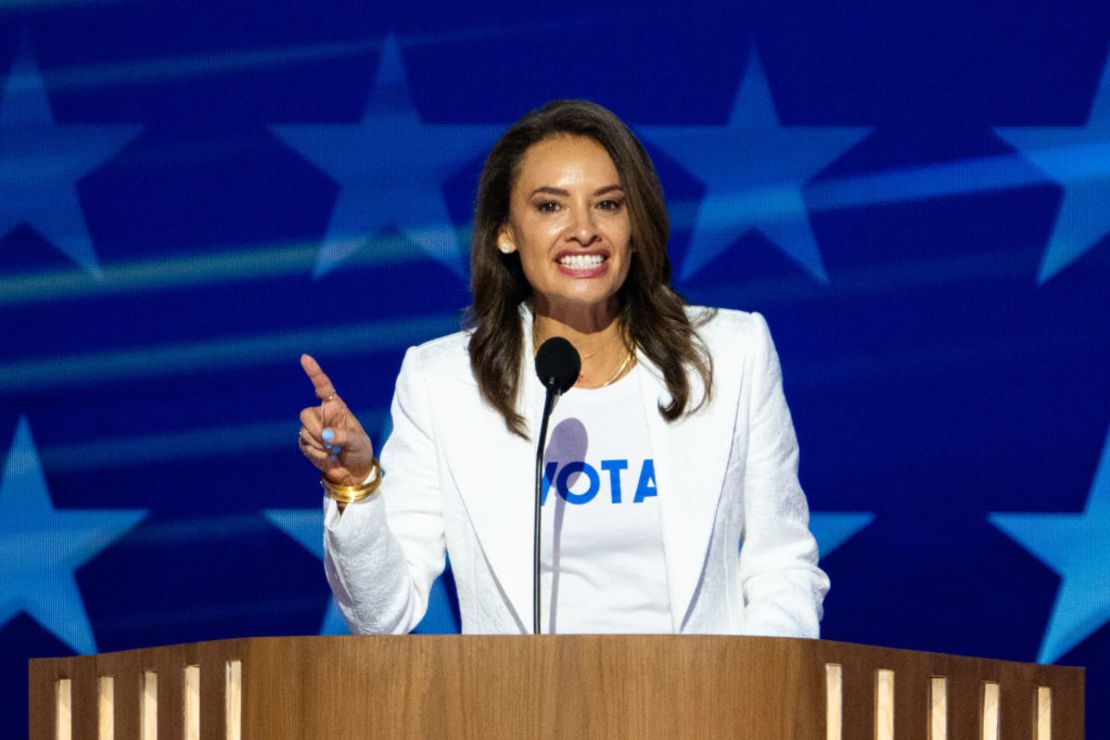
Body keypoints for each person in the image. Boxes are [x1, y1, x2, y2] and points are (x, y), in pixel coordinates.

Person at [297, 99, 829, 636]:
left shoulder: (731, 353)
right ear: (506, 232)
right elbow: (382, 616)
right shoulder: (443, 382)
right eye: (551, 207)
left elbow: (782, 564)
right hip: (523, 714)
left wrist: (756, 700)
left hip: (700, 710)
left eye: (609, 205)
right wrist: (356, 485)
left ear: (636, 224)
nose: (583, 230)